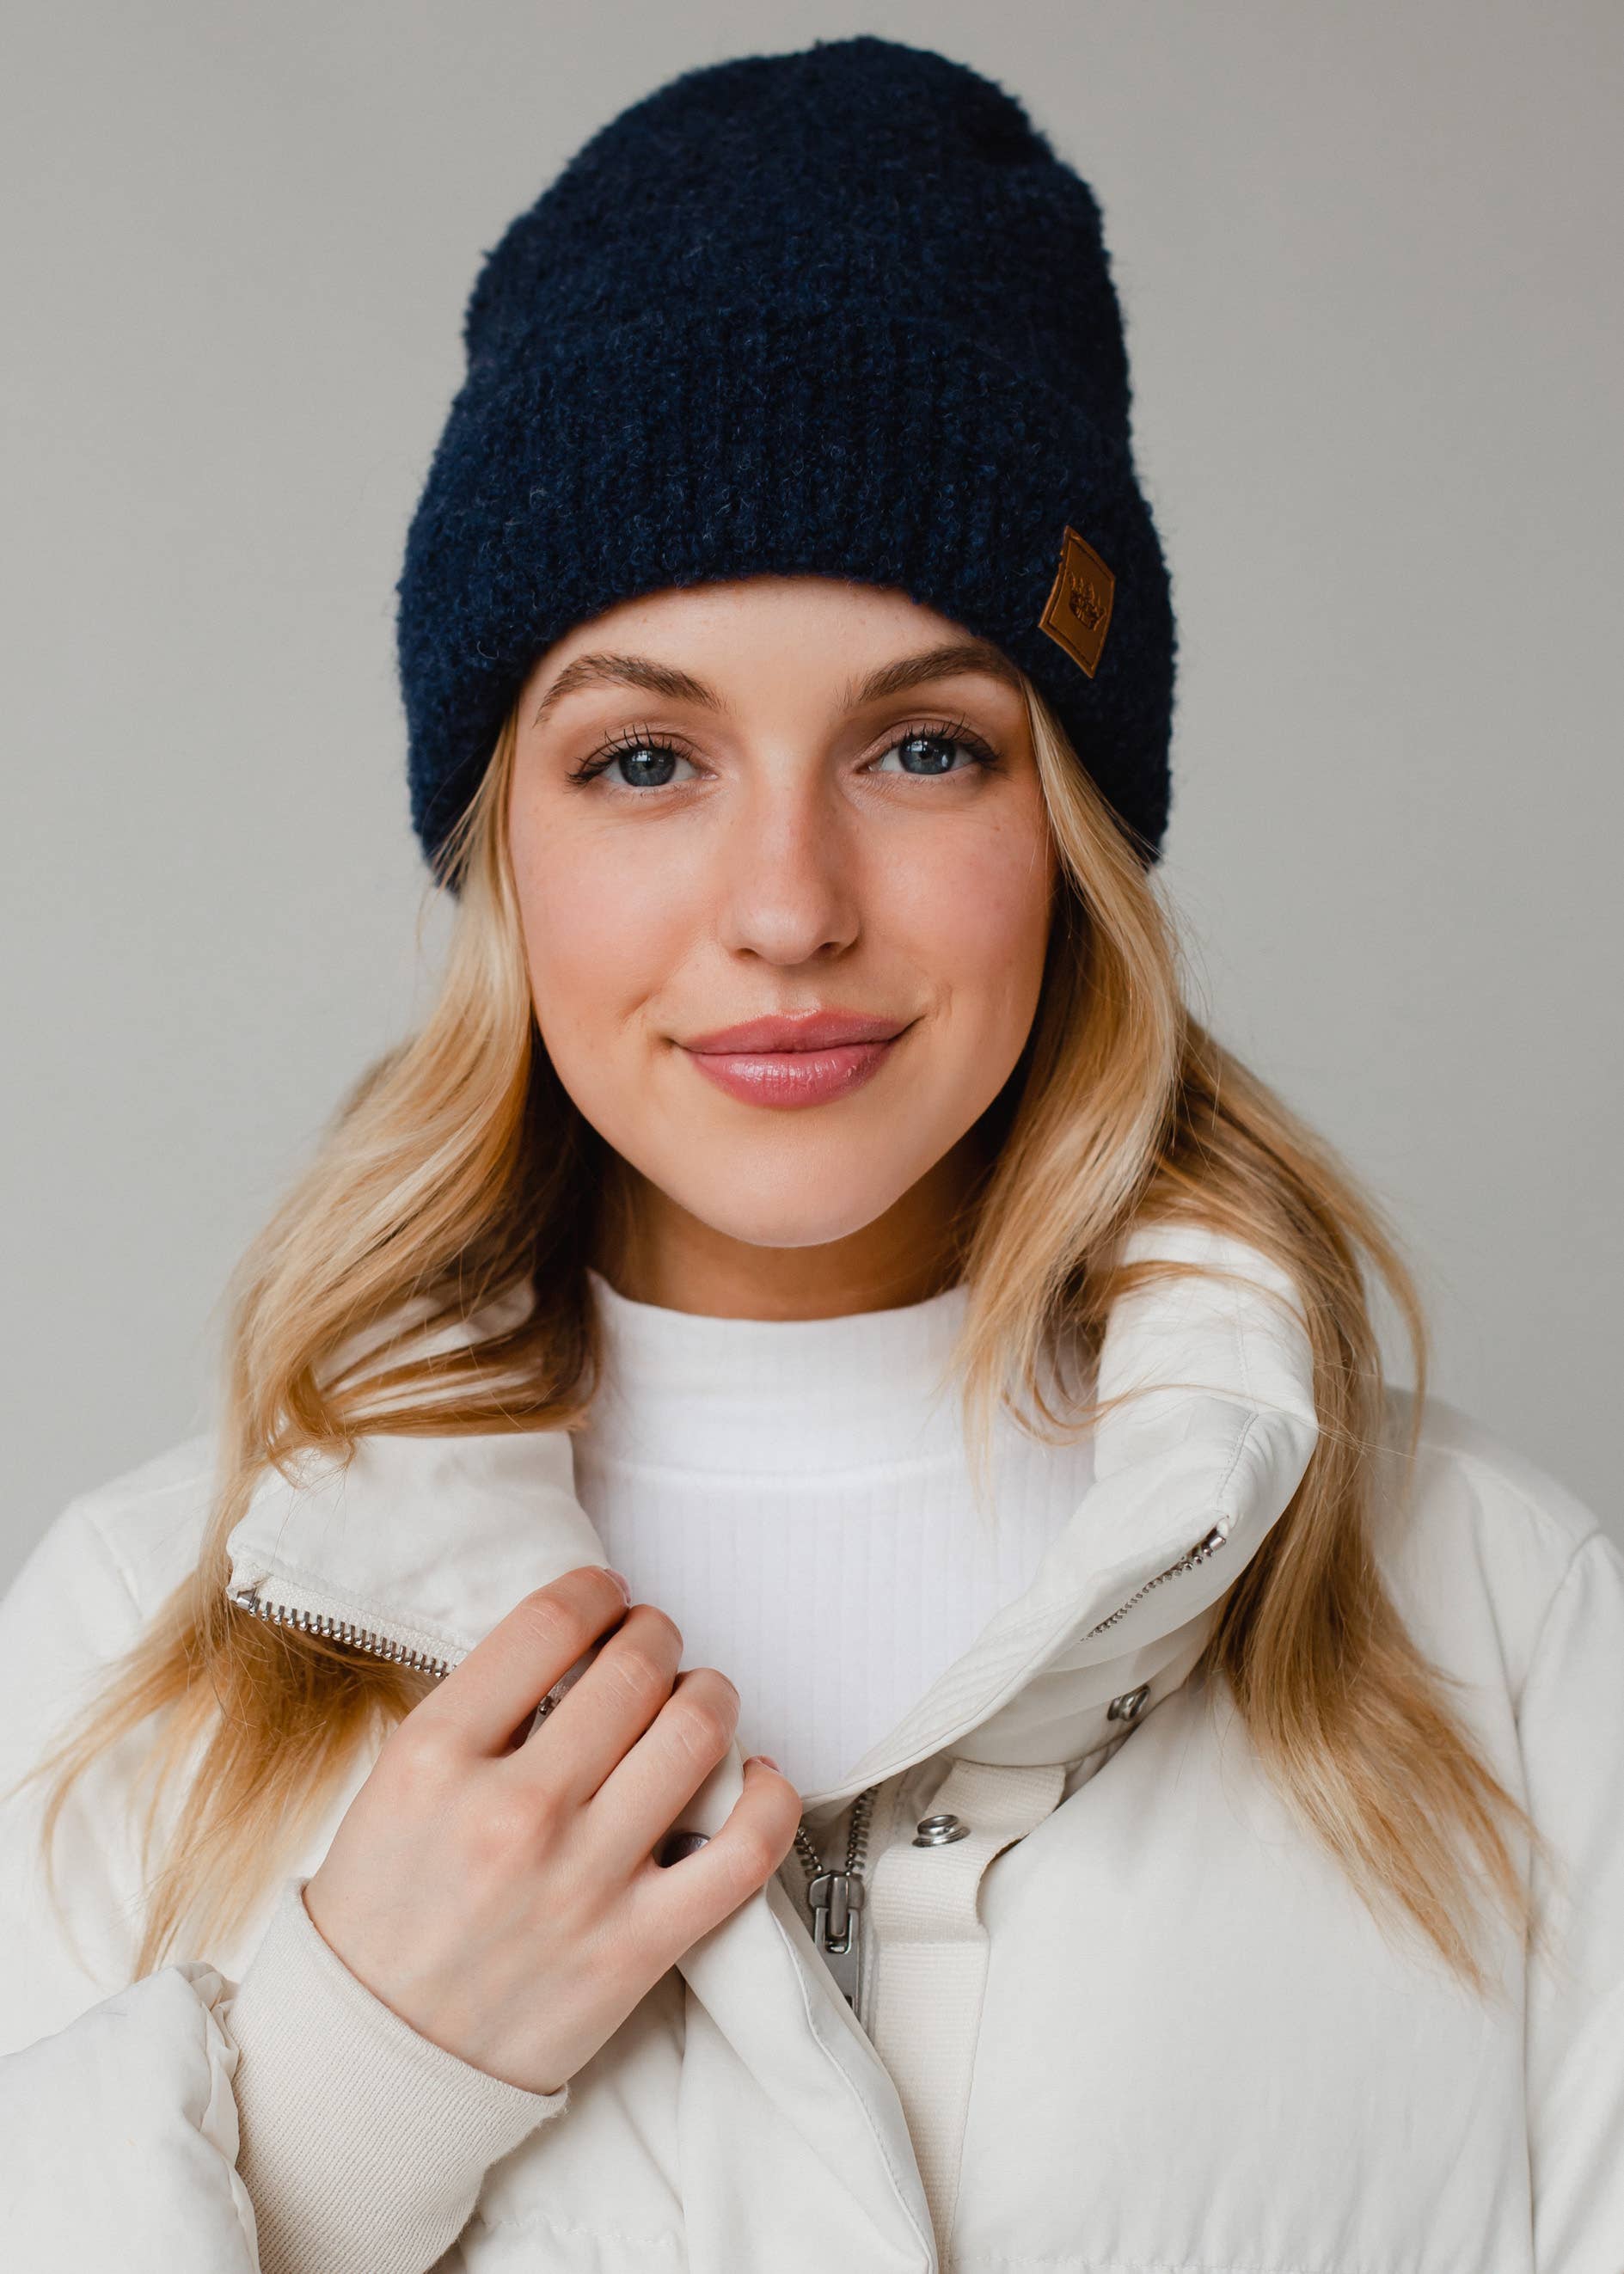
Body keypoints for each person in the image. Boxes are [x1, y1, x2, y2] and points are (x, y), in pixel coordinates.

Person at [2, 32, 1620, 2274]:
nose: (786, 908)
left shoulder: (1490, 1619)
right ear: (501, 847)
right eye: (644, 761)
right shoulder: (145, 1642)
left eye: (925, 747)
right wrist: (351, 2094)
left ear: (1072, 828)